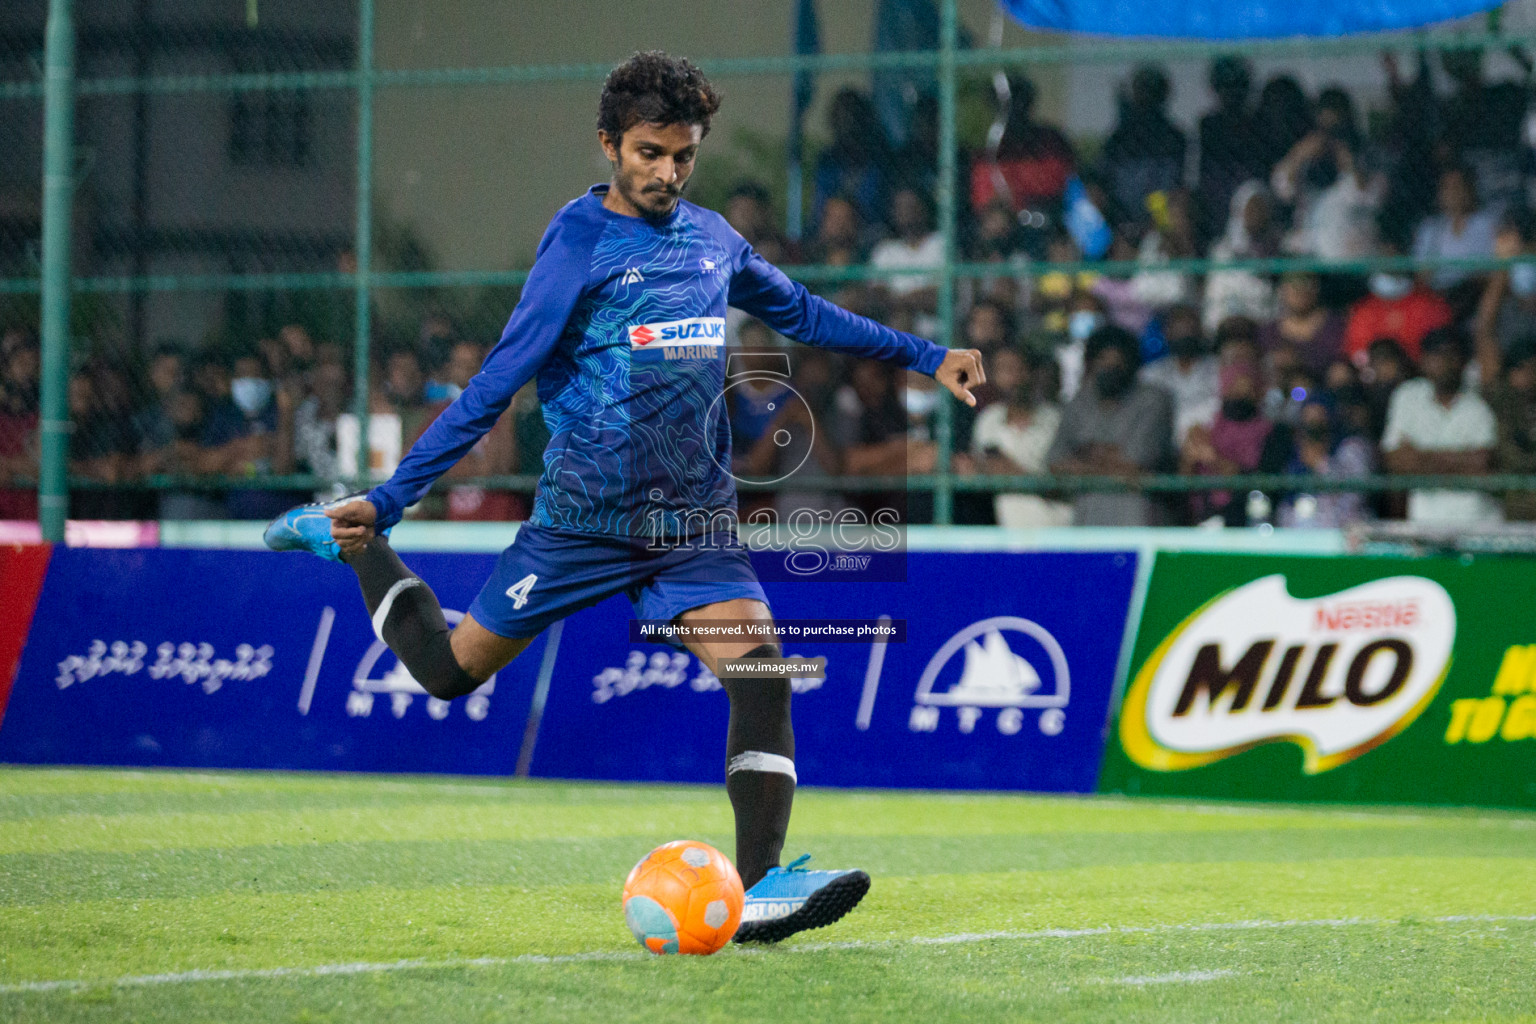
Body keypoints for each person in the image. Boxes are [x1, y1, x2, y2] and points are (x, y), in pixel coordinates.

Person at [263, 52, 985, 944]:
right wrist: (394, 500)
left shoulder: (713, 237)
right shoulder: (579, 241)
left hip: (691, 526)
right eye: (649, 153)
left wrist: (926, 354)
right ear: (609, 144)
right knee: (448, 675)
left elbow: (801, 311)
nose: (668, 173)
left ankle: (758, 888)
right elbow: (498, 384)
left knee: (762, 677)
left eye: (684, 155)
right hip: (583, 522)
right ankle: (358, 539)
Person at [1047, 324, 1174, 525]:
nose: (1110, 368)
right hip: (1087, 517)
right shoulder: (1080, 402)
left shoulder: (1153, 400)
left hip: (1139, 516)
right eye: (1103, 361)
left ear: (1131, 364)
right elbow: (1055, 462)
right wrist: (1113, 463)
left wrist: (1084, 454)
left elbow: (1136, 463)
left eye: (1117, 362)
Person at [1381, 326, 1500, 526]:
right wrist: (1461, 459)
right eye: (1438, 355)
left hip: (1477, 522)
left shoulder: (1480, 404)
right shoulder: (1408, 396)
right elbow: (1396, 460)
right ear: (1424, 360)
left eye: (1453, 355)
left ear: (1463, 362)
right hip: (1423, 521)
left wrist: (1421, 457)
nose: (1446, 362)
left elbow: (1482, 464)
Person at [1180, 358, 1291, 525]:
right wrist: (1189, 456)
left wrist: (1213, 458)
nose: (1238, 395)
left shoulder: (1275, 433)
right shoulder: (1208, 430)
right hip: (1206, 518)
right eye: (1232, 388)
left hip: (1251, 518)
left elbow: (1261, 480)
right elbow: (1184, 483)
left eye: (1246, 390)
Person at [970, 347, 1069, 528]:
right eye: (1005, 370)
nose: (1014, 378)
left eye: (1019, 369)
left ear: (1032, 373)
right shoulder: (988, 420)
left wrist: (1012, 473)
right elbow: (981, 470)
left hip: (1057, 532)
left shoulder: (1057, 420)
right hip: (1008, 536)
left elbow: (1067, 483)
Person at [1344, 229, 1453, 365]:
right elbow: (1357, 356)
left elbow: (1443, 355)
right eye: (1385, 255)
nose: (1390, 259)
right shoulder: (1362, 311)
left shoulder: (1431, 305)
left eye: (1395, 254)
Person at [1140, 304, 1220, 443]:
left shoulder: (1219, 369)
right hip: (1162, 446)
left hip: (1209, 443)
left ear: (1200, 331)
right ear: (1167, 333)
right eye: (1179, 330)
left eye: (1190, 329)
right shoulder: (1151, 374)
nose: (1185, 335)